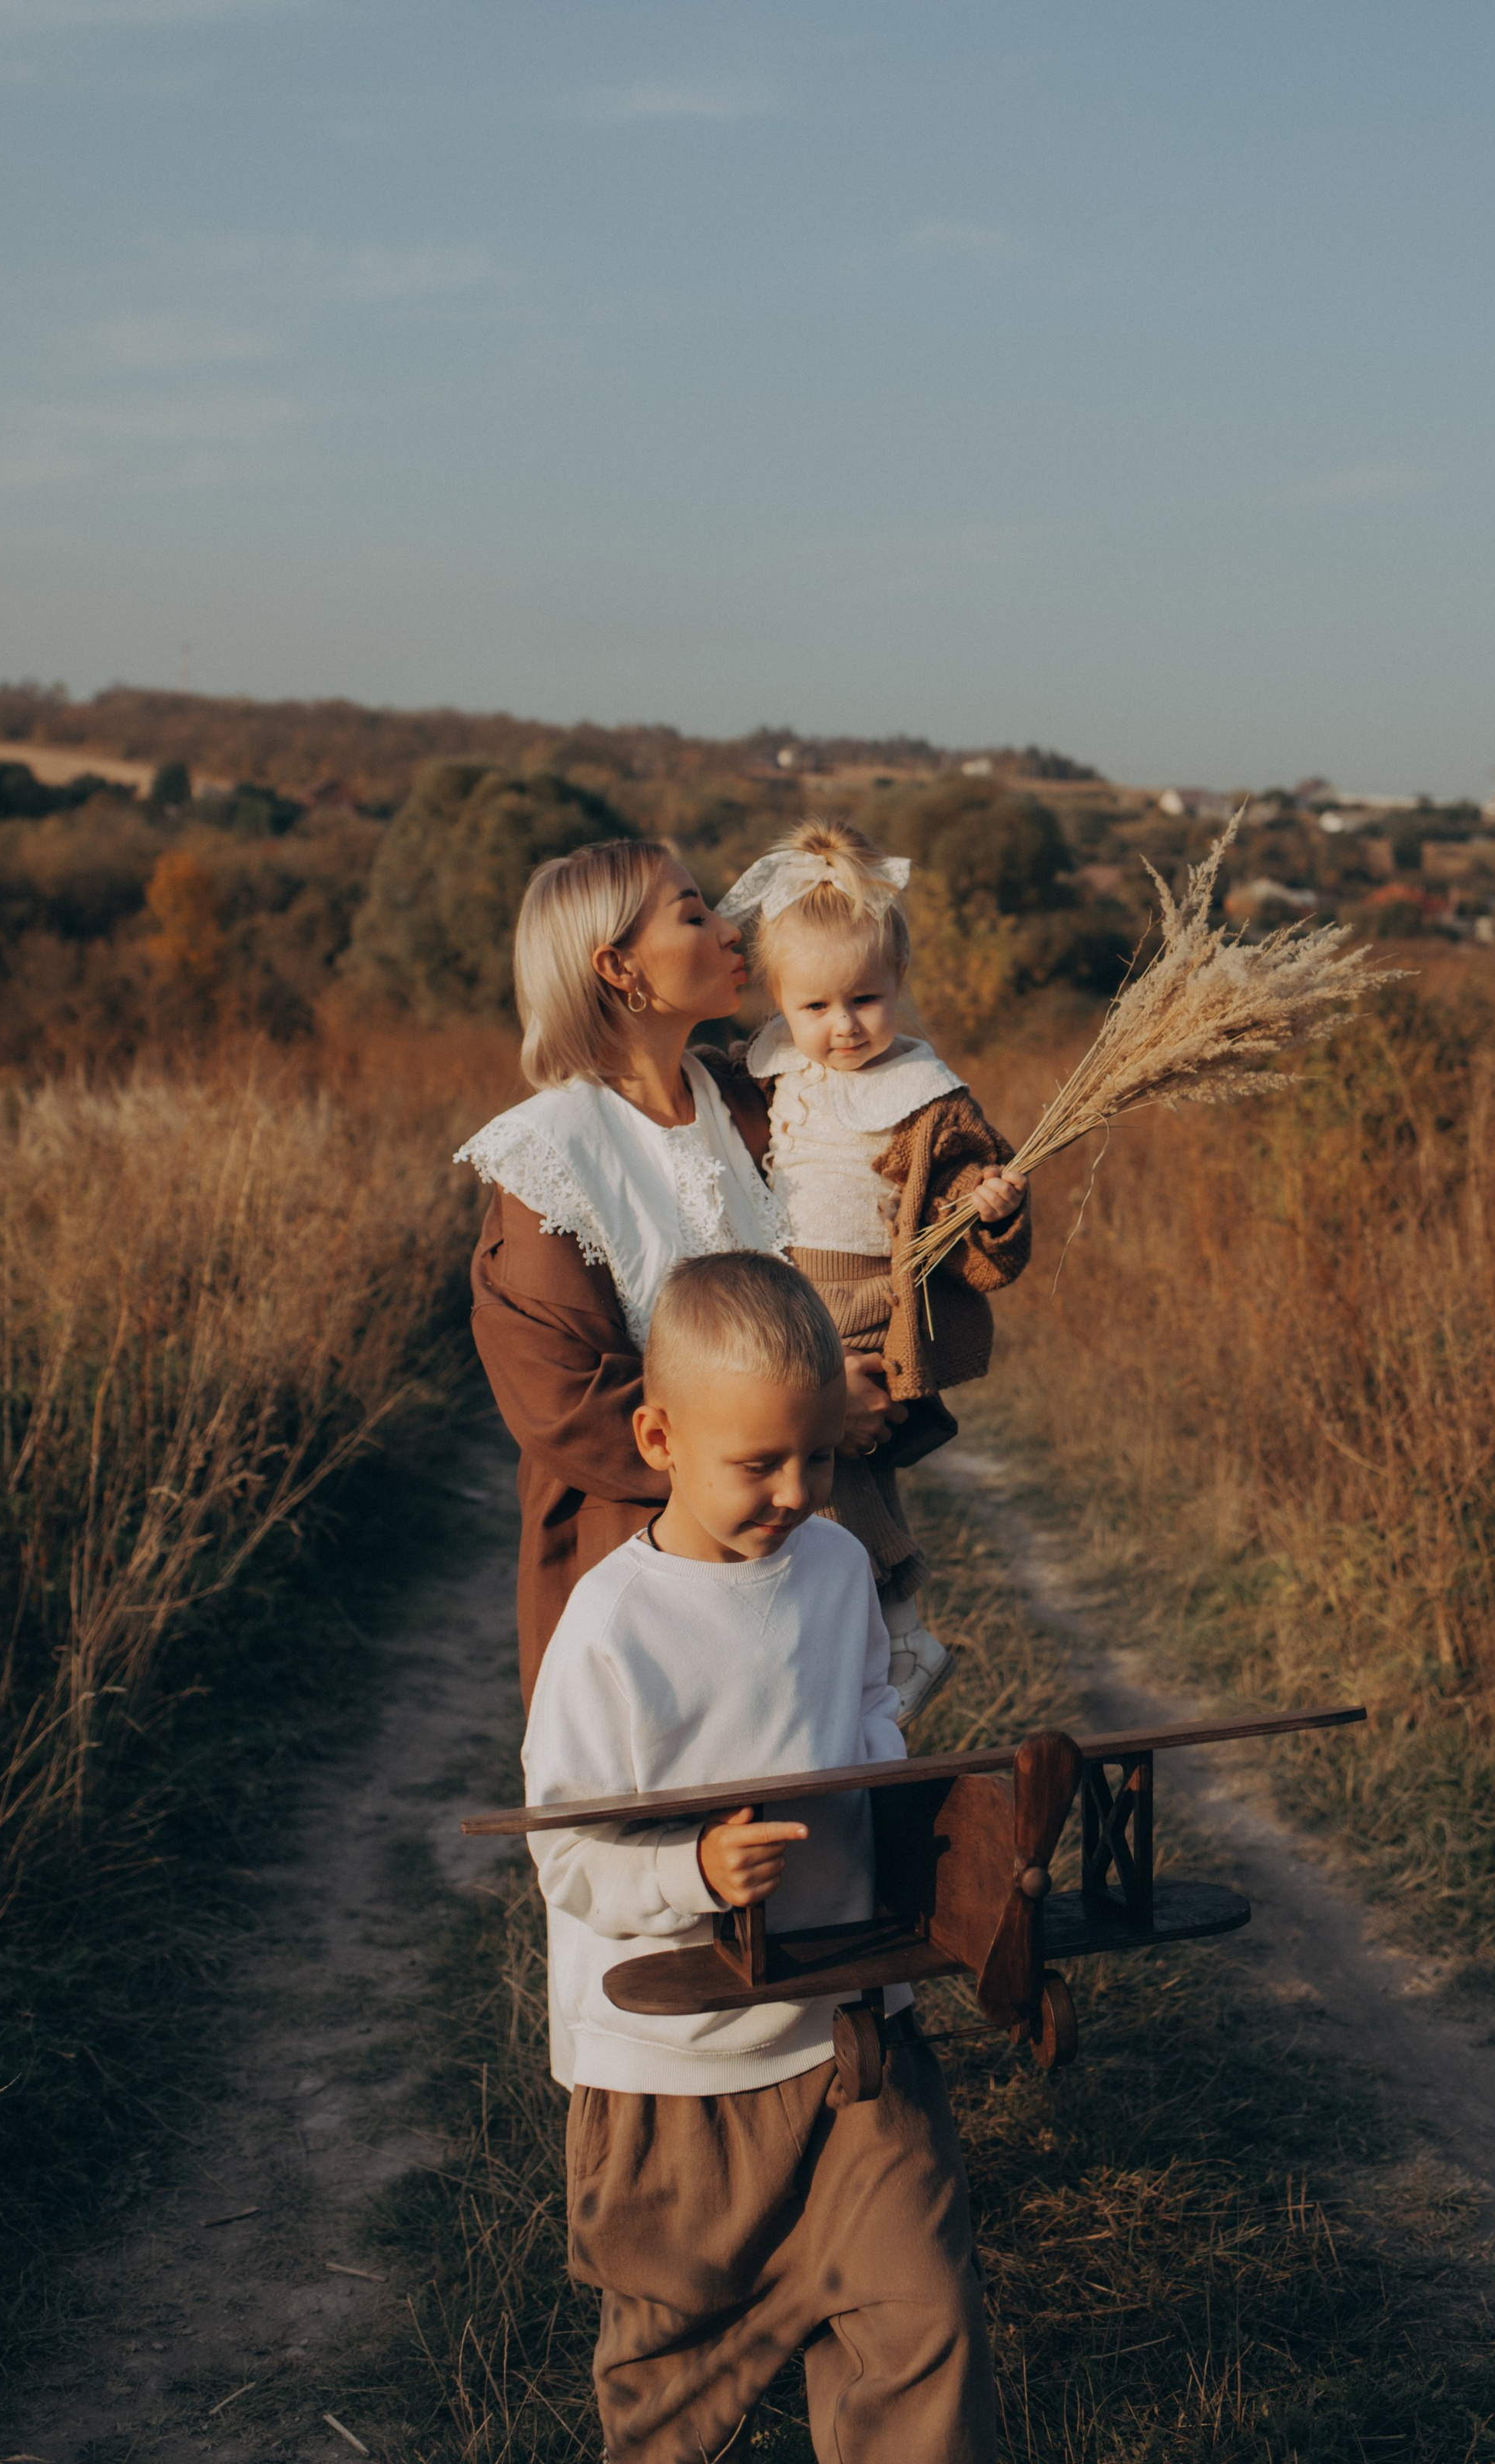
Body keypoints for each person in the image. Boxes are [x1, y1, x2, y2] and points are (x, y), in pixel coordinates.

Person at [526, 1250, 995, 2464]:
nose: (796, 1491)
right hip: (679, 2074)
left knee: (923, 2320)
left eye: (821, 1455)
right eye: (758, 1464)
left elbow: (869, 1724)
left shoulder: (838, 1567)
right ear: (660, 1436)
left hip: (849, 2038)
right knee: (677, 2383)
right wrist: (692, 1872)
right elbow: (568, 1858)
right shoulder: (613, 1631)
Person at [456, 840, 903, 1702]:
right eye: (693, 914)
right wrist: (813, 1408)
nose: (729, 929)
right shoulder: (549, 1156)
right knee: (686, 1821)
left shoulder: (756, 1100)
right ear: (618, 966)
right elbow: (567, 1406)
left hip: (807, 1557)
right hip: (645, 1583)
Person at [720, 820, 1032, 1718]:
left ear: (897, 985)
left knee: (825, 1451)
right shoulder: (772, 1071)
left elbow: (970, 1184)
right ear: (781, 1001)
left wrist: (990, 1208)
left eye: (865, 999)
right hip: (784, 1289)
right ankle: (876, 1636)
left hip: (870, 1295)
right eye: (814, 1007)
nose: (843, 1026)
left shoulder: (925, 1095)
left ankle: (896, 1630)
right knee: (815, 1464)